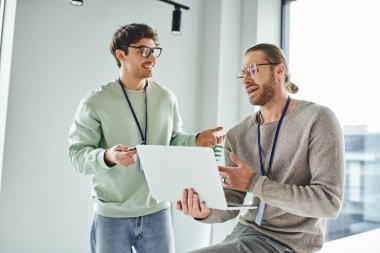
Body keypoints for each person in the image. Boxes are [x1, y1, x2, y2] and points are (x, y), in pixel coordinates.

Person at [68, 23, 224, 253]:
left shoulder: (165, 97)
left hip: (157, 212)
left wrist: (197, 140)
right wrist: (108, 156)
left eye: (153, 50)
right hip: (112, 216)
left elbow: (172, 141)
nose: (151, 57)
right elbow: (77, 155)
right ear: (121, 55)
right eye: (142, 50)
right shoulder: (95, 102)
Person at [176, 43, 345, 253]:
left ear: (279, 70)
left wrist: (254, 183)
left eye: (253, 70)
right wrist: (204, 211)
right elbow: (232, 202)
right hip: (246, 232)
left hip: (289, 243)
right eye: (243, 74)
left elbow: (328, 203)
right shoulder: (237, 135)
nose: (247, 80)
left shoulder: (317, 119)